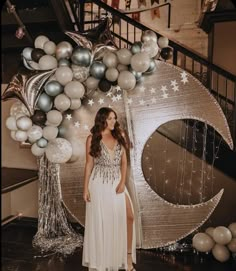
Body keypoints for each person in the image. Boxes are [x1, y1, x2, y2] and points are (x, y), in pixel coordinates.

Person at [82, 107, 136, 271]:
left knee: (129, 216)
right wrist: (85, 188)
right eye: (110, 118)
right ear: (102, 120)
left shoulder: (120, 136)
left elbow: (124, 162)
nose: (113, 121)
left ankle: (127, 257)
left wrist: (122, 182)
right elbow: (89, 164)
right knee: (103, 221)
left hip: (116, 182)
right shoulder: (92, 139)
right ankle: (103, 260)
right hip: (98, 183)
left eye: (114, 118)